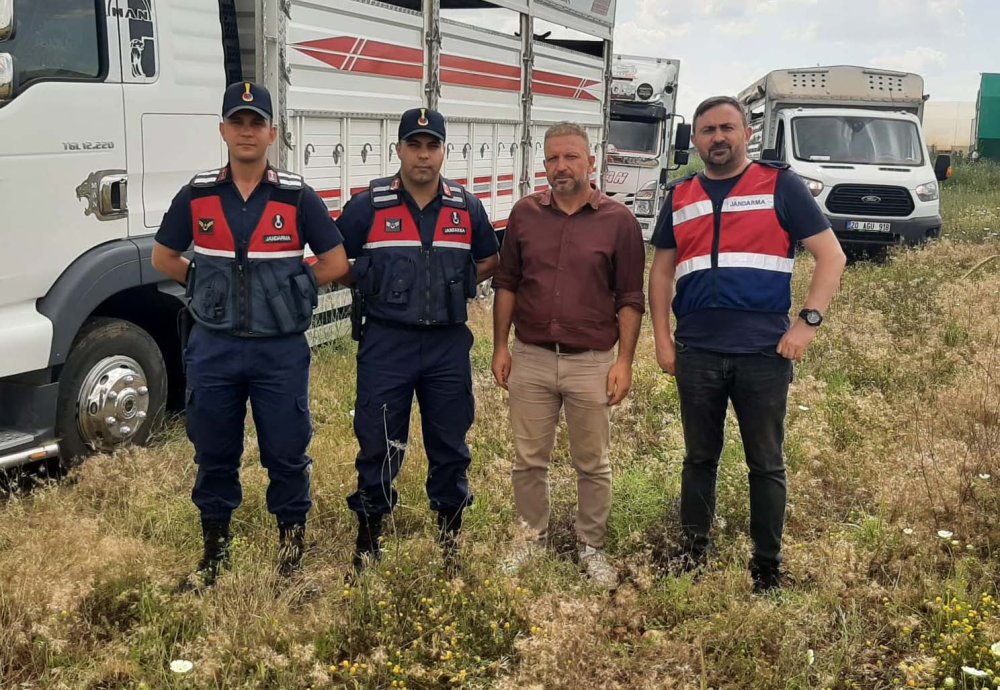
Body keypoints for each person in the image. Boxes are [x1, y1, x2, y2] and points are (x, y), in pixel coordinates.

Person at [152, 82, 349, 586]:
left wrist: (294, 285)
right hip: (214, 347)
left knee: (286, 450)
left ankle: (291, 553)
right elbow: (164, 257)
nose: (246, 131)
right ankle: (214, 553)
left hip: (279, 351)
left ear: (272, 134)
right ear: (223, 130)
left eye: (256, 123)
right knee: (214, 450)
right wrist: (204, 284)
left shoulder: (296, 196)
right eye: (237, 122)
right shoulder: (197, 196)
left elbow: (335, 261)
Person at [648, 96, 846, 593]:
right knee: (698, 458)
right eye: (708, 130)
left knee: (765, 461)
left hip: (763, 353)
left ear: (746, 134)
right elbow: (661, 272)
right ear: (694, 140)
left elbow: (831, 257)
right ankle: (692, 554)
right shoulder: (680, 194)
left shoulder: (780, 184)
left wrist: (806, 324)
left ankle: (767, 568)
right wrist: (662, 339)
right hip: (697, 350)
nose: (718, 138)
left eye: (727, 128)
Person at [337, 107, 499, 574]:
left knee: (450, 443)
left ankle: (450, 544)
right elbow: (334, 257)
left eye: (432, 146)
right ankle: (368, 545)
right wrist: (369, 280)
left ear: (445, 151)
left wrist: (455, 285)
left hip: (448, 344)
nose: (423, 156)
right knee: (380, 442)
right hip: (387, 343)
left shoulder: (466, 207)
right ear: (399, 149)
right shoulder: (369, 205)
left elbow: (489, 261)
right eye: (414, 145)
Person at [491, 122, 645, 590]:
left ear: (591, 162)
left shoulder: (619, 221)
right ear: (544, 162)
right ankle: (529, 539)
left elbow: (630, 297)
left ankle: (591, 546)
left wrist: (624, 362)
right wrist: (500, 345)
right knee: (527, 460)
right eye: (553, 158)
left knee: (592, 462)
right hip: (531, 357)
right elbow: (507, 284)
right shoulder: (524, 214)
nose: (561, 166)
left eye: (571, 157)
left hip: (592, 362)